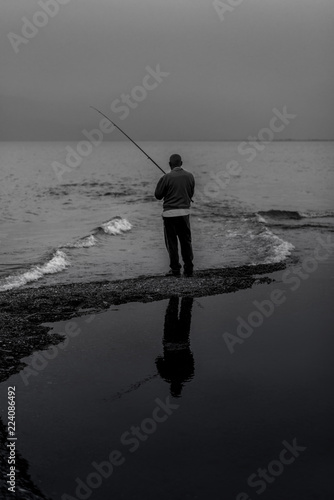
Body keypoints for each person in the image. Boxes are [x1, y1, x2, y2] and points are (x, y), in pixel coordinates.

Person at [155, 154, 195, 277]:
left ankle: (175, 269)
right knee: (186, 241)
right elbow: (190, 193)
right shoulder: (190, 176)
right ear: (181, 163)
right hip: (184, 214)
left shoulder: (166, 177)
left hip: (169, 215)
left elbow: (158, 195)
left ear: (169, 164)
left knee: (171, 243)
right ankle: (188, 268)